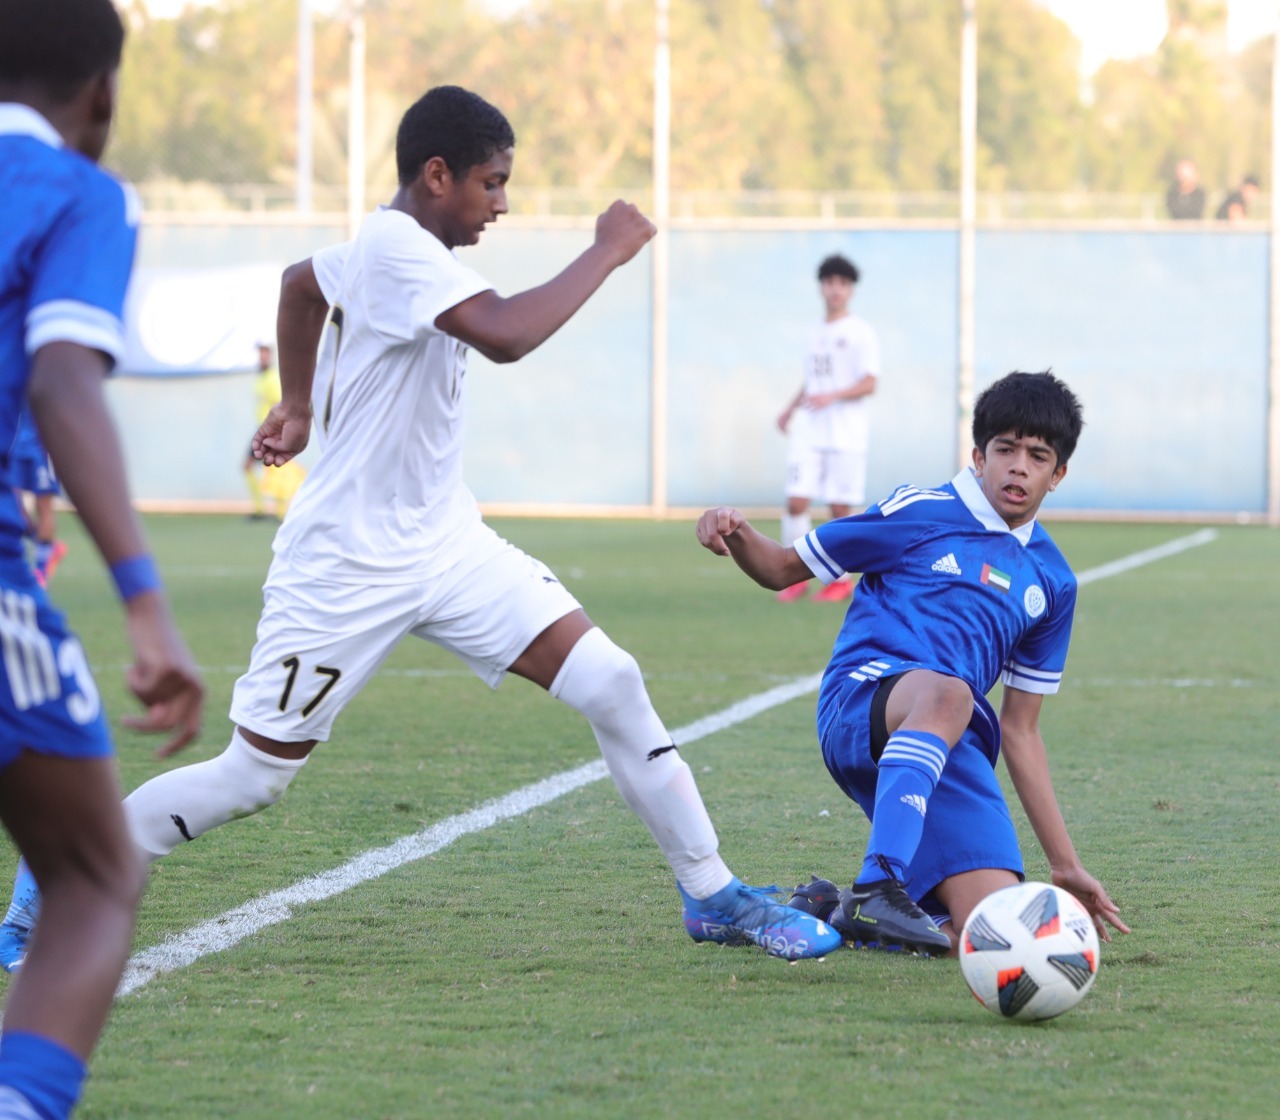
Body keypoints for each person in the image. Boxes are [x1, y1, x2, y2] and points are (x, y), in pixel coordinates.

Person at [0, 85, 841, 973]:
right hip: (345, 566)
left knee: (611, 680)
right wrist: (605, 250)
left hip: (446, 544)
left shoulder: (392, 243)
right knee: (253, 777)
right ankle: (57, 874)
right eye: (492, 183)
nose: (503, 204)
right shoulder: (403, 250)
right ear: (436, 175)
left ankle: (713, 894)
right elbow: (507, 336)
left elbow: (299, 285)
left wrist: (296, 406)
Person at [696, 371, 1130, 956]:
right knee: (950, 693)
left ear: (1059, 474)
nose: (1018, 467)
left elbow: (1022, 730)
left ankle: (838, 913)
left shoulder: (1053, 582)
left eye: (1037, 456)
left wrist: (1066, 864)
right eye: (1004, 449)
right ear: (978, 456)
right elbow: (780, 569)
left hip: (955, 747)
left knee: (993, 937)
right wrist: (736, 529)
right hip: (864, 706)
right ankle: (879, 882)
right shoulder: (920, 511)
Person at [0, 1, 206, 1117]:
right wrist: (144, 604)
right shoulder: (77, 194)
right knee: (91, 875)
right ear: (104, 96)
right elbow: (61, 378)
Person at [774, 253, 879, 604]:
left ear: (850, 290)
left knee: (838, 510)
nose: (835, 290)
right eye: (830, 282)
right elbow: (812, 381)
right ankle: (793, 575)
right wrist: (789, 409)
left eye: (842, 284)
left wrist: (832, 396)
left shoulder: (860, 332)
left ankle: (840, 580)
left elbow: (869, 383)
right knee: (796, 500)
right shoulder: (813, 332)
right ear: (822, 287)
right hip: (810, 430)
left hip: (846, 433)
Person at [241, 342, 304, 521]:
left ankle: (280, 512)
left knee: (276, 467)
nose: (262, 357)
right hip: (261, 428)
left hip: (270, 429)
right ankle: (262, 509)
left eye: (265, 353)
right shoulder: (261, 378)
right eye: (260, 353)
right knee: (255, 467)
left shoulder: (273, 378)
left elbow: (281, 403)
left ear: (271, 355)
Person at [6, 409, 67, 586]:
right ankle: (48, 547)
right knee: (12, 506)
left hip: (41, 448)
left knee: (43, 507)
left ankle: (41, 571)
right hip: (14, 446)